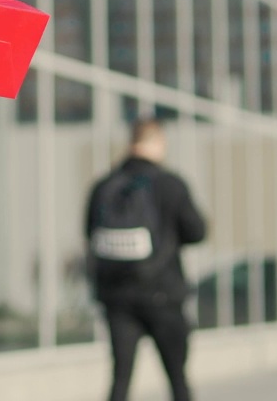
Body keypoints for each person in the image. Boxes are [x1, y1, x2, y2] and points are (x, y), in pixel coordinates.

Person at [84, 118, 207, 401]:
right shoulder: (170, 184)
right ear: (158, 143)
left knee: (120, 380)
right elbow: (196, 231)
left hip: (116, 297)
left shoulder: (103, 186)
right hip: (163, 295)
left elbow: (90, 234)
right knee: (178, 380)